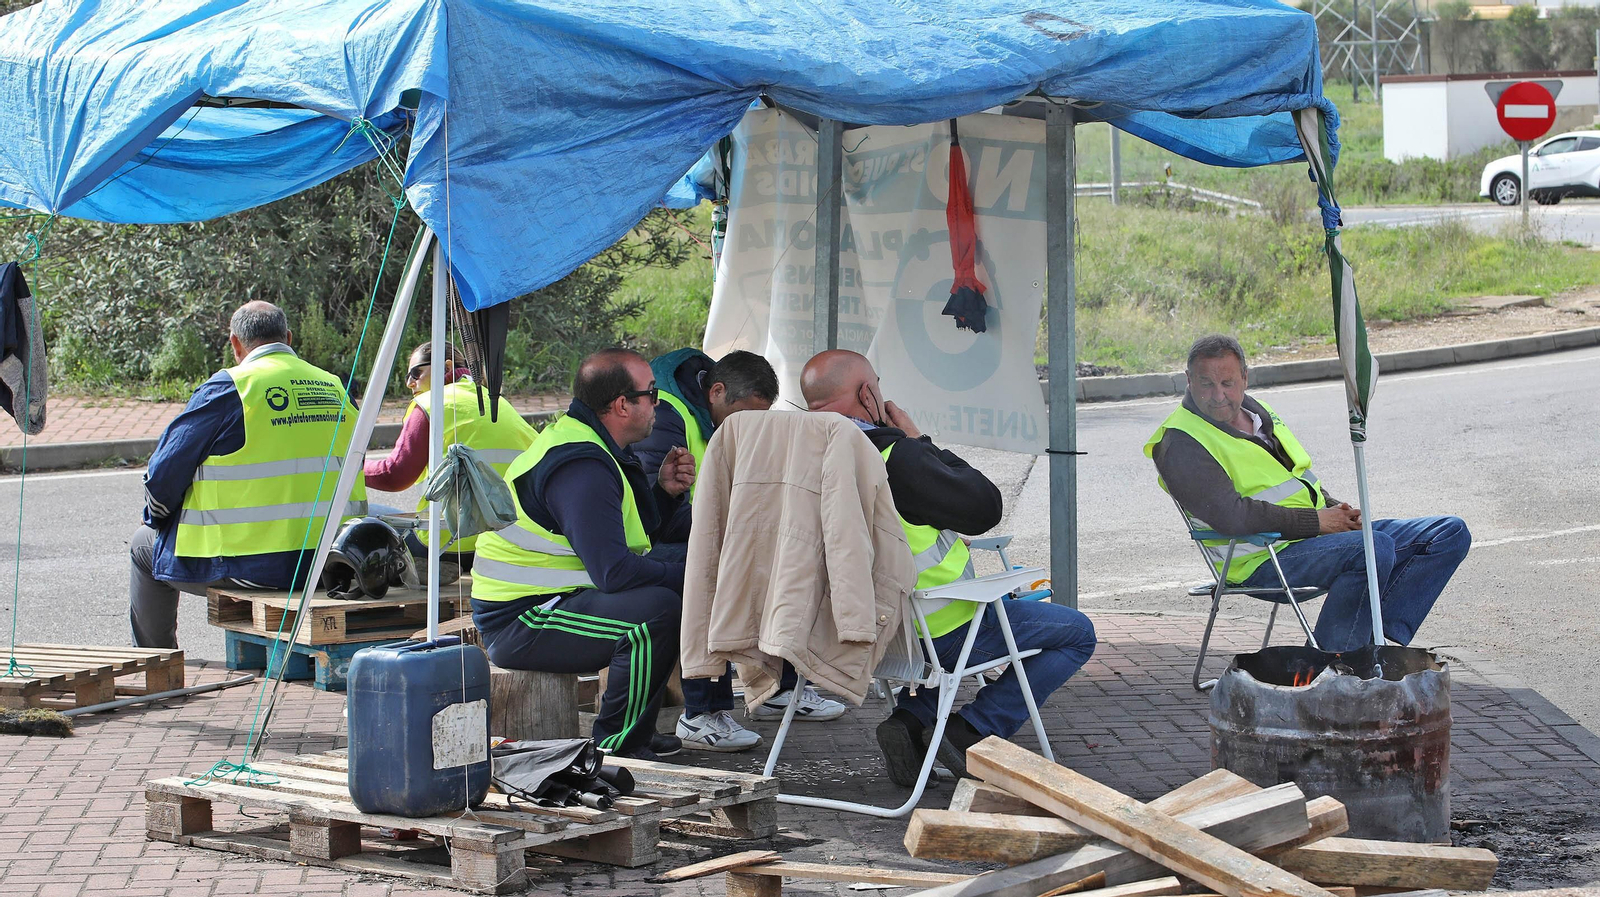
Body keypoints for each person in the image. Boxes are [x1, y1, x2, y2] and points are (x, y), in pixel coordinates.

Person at [800, 349, 1097, 785]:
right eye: (877, 386)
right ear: (868, 393)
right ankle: (973, 729)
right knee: (1077, 633)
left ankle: (910, 718)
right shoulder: (895, 458)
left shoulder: (801, 461)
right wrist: (918, 440)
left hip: (864, 631)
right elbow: (985, 506)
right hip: (938, 629)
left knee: (956, 633)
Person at [1144, 334, 1471, 652]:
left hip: (1311, 538)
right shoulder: (1180, 441)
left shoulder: (1259, 413)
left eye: (1227, 383)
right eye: (1206, 384)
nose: (1218, 395)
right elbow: (1232, 515)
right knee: (1373, 548)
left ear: (1244, 377)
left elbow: (1296, 477)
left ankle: (1380, 645)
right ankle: (1332, 662)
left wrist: (1336, 510)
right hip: (1260, 558)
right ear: (1188, 380)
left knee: (1448, 533)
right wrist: (1319, 522)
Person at [471, 348, 695, 760]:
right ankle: (618, 745)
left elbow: (628, 537)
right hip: (522, 620)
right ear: (622, 405)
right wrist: (695, 574)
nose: (658, 404)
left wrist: (663, 494)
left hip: (553, 600)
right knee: (657, 611)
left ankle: (636, 733)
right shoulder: (581, 466)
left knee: (665, 597)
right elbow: (614, 572)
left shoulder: (592, 441)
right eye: (652, 394)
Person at [636, 348, 846, 752]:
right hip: (659, 541)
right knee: (716, 580)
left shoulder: (719, 413)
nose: (753, 427)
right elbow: (653, 510)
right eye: (746, 416)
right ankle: (701, 715)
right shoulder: (667, 418)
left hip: (704, 528)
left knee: (781, 560)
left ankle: (775, 690)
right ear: (717, 392)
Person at [130, 301, 368, 648]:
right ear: (288, 337)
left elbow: (162, 477)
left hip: (253, 567)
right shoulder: (335, 387)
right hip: (335, 562)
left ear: (235, 344)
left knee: (142, 544)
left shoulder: (230, 388)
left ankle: (158, 660)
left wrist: (158, 519)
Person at [363, 341, 539, 568]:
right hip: (505, 545)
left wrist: (352, 468)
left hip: (449, 546)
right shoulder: (499, 403)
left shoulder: (430, 403)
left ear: (446, 367)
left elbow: (394, 475)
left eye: (416, 373)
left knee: (367, 515)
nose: (409, 383)